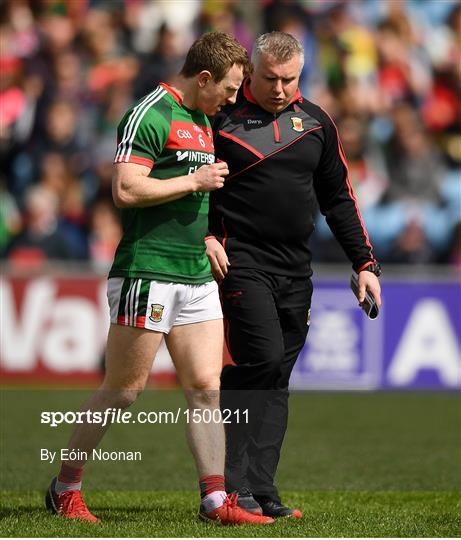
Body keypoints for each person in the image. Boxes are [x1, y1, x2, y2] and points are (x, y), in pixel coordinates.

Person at [45, 32, 273, 526]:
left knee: (206, 387)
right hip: (147, 270)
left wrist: (209, 235)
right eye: (230, 90)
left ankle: (215, 500)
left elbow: (193, 197)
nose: (233, 100)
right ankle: (65, 486)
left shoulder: (202, 119)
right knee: (124, 390)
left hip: (193, 272)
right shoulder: (152, 112)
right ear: (205, 78)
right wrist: (194, 181)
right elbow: (125, 189)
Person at [205, 31, 382, 518]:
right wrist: (207, 234)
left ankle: (262, 489)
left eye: (289, 79)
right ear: (251, 71)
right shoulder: (220, 119)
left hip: (295, 271)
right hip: (242, 263)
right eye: (269, 78)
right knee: (259, 361)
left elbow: (339, 199)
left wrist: (365, 264)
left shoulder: (317, 125)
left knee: (277, 378)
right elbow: (194, 189)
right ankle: (229, 486)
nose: (280, 88)